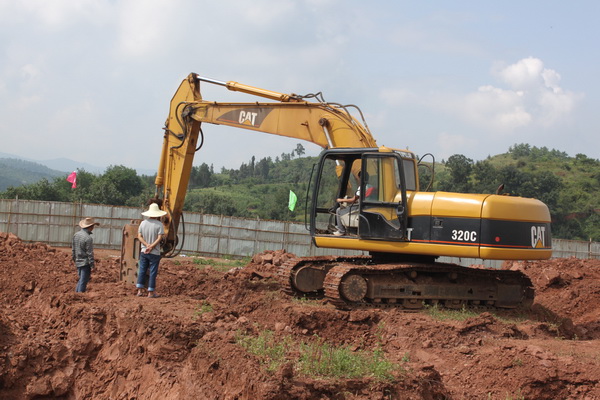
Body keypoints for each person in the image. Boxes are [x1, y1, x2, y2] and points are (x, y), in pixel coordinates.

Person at [136, 203, 167, 298]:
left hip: (144, 251)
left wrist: (146, 245)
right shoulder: (159, 225)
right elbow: (160, 238)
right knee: (153, 272)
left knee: (142, 270)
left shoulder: (143, 223)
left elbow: (139, 236)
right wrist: (152, 247)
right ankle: (150, 292)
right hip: (154, 252)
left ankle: (139, 291)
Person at [334, 171, 373, 236]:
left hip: (360, 207)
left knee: (339, 210)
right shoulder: (370, 186)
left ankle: (341, 231)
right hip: (367, 206)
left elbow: (353, 199)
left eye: (359, 178)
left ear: (361, 178)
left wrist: (341, 199)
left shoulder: (362, 187)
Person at [72, 217, 100, 292]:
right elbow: (89, 253)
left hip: (78, 261)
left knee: (81, 279)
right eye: (93, 226)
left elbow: (73, 249)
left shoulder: (76, 235)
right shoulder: (88, 238)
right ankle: (80, 296)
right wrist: (92, 265)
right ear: (90, 227)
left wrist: (75, 259)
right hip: (85, 263)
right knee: (83, 281)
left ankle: (76, 294)